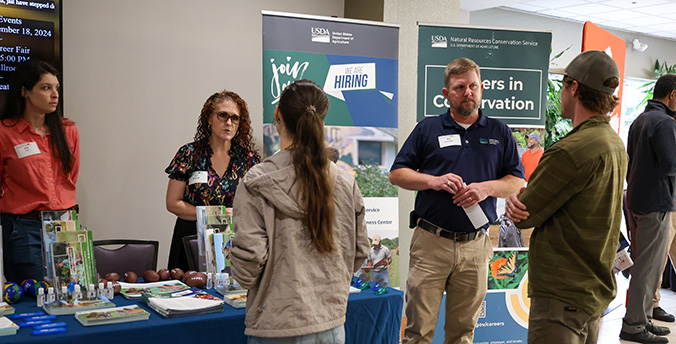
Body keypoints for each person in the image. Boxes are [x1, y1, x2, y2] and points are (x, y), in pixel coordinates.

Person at [390, 57, 525, 344]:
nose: (468, 92)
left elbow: (517, 180)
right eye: (460, 87)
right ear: (446, 94)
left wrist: (486, 189)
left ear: (482, 88)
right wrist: (433, 181)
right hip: (431, 243)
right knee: (418, 331)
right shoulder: (427, 129)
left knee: (463, 334)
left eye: (473, 86)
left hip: (476, 246)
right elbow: (397, 174)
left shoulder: (499, 132)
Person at [230, 79, 369, 343]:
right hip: (330, 325)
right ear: (322, 121)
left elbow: (247, 266)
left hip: (276, 325)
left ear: (277, 115)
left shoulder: (255, 182)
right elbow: (360, 251)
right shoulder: (345, 182)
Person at [506, 50, 628, 344]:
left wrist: (516, 203)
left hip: (562, 293)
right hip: (592, 289)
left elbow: (526, 213)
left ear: (574, 88)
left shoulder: (570, 150)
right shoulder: (614, 143)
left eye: (563, 86)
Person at [0, 59, 80, 283]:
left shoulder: (67, 130)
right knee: (34, 297)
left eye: (56, 88)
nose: (54, 95)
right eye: (46, 88)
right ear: (25, 91)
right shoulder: (5, 133)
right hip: (24, 228)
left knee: (70, 292)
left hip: (65, 224)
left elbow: (70, 178)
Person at [165, 90, 259, 272]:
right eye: (222, 115)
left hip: (232, 243)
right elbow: (173, 203)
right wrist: (216, 214)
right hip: (191, 240)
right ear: (209, 118)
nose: (229, 123)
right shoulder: (189, 154)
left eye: (235, 118)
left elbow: (256, 205)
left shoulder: (249, 159)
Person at [621, 73, 676, 344]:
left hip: (636, 200)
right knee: (647, 268)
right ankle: (634, 325)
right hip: (656, 203)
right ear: (672, 94)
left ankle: (641, 319)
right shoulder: (665, 122)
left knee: (646, 265)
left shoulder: (640, 119)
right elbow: (670, 165)